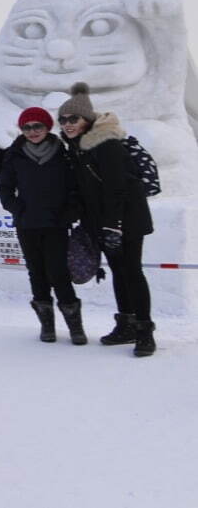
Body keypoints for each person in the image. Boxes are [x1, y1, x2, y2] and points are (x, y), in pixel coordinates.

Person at [57, 82, 156, 356]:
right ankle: (126, 323)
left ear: (87, 120)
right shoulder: (78, 148)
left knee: (132, 272)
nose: (67, 124)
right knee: (118, 272)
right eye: (63, 120)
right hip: (103, 223)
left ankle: (145, 331)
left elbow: (117, 189)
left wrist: (114, 226)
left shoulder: (107, 144)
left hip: (128, 220)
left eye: (73, 118)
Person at [0, 106, 84, 343]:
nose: (32, 131)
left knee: (59, 272)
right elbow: (4, 187)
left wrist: (69, 213)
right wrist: (17, 209)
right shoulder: (15, 154)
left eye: (37, 126)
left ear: (47, 127)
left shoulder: (63, 153)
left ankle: (75, 327)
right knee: (37, 273)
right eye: (26, 127)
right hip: (28, 224)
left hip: (56, 224)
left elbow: (75, 187)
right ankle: (47, 326)